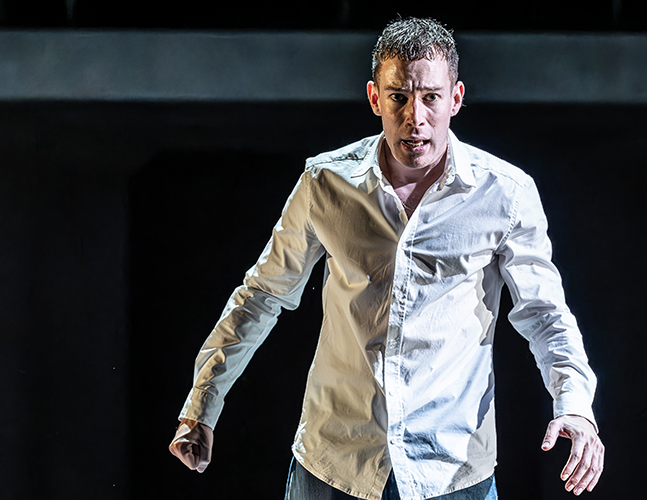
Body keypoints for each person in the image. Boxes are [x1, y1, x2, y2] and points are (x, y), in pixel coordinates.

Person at [169, 17, 604, 500]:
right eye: (399, 97)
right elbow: (261, 296)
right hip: (335, 463)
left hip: (451, 470)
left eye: (431, 97)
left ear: (455, 99)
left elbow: (545, 313)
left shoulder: (506, 193)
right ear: (375, 98)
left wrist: (575, 404)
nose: (415, 117)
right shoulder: (325, 183)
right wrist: (202, 403)